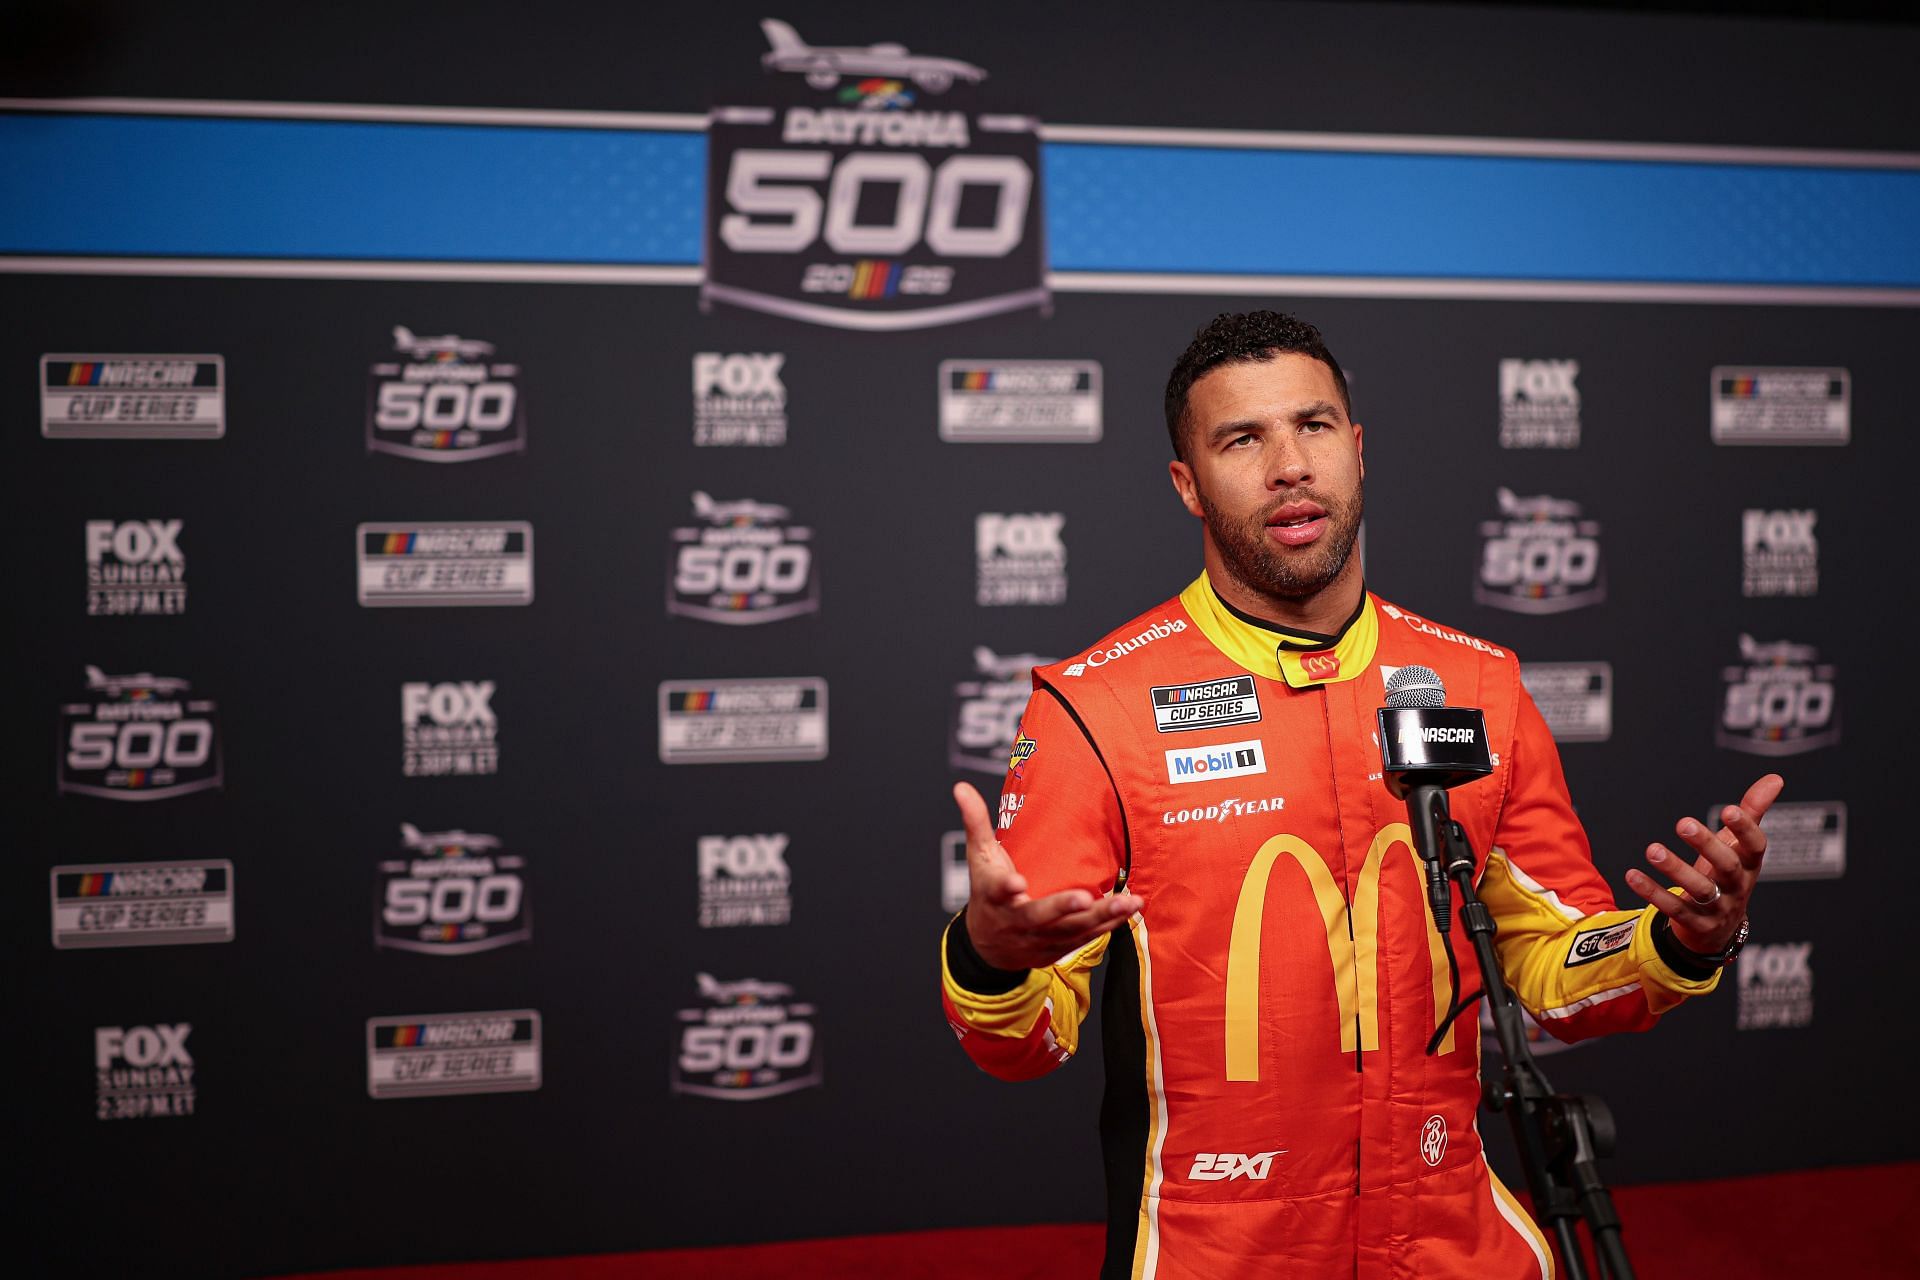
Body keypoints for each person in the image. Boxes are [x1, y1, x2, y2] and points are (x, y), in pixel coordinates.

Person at [939, 311, 1782, 1279]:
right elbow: (1023, 1041)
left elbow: (1557, 968)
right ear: (1188, 484)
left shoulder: (1477, 682)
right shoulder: (1099, 705)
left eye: (1314, 425)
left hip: (1457, 1242)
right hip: (1220, 1251)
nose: (1289, 464)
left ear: (1359, 449)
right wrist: (993, 959)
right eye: (1242, 438)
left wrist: (1682, 939)